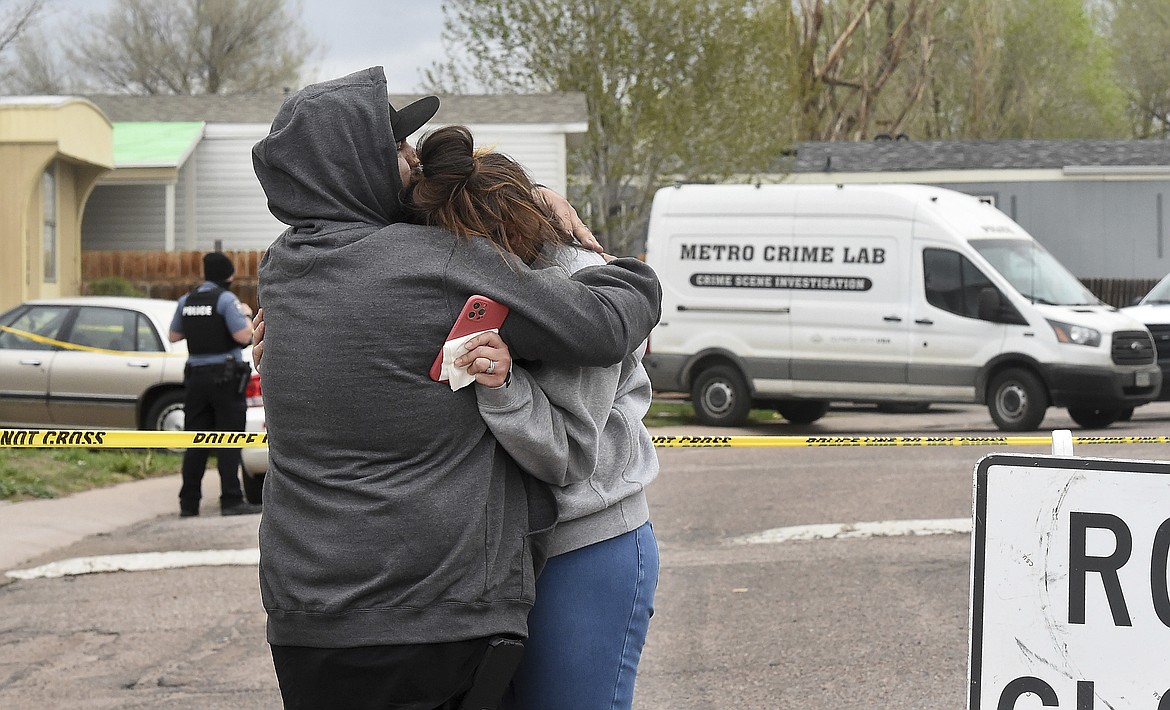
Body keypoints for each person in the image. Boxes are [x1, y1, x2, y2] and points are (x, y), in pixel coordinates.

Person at [249, 66, 661, 710]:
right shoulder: (435, 266)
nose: (414, 158)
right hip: (430, 610)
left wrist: (526, 197)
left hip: (304, 613)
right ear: (357, 168)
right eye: (398, 149)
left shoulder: (280, 270)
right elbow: (604, 324)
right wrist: (623, 271)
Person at [411, 126, 659, 710]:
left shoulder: (579, 291)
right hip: (494, 550)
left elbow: (567, 455)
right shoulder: (444, 250)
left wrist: (505, 384)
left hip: (585, 543)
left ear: (509, 235)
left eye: (479, 249)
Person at [167, 251, 260, 517]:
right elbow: (243, 336)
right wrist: (245, 314)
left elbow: (174, 335)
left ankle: (189, 503)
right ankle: (231, 500)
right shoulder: (226, 300)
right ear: (228, 275)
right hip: (225, 378)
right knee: (229, 438)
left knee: (196, 440)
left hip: (195, 377)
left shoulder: (187, 299)